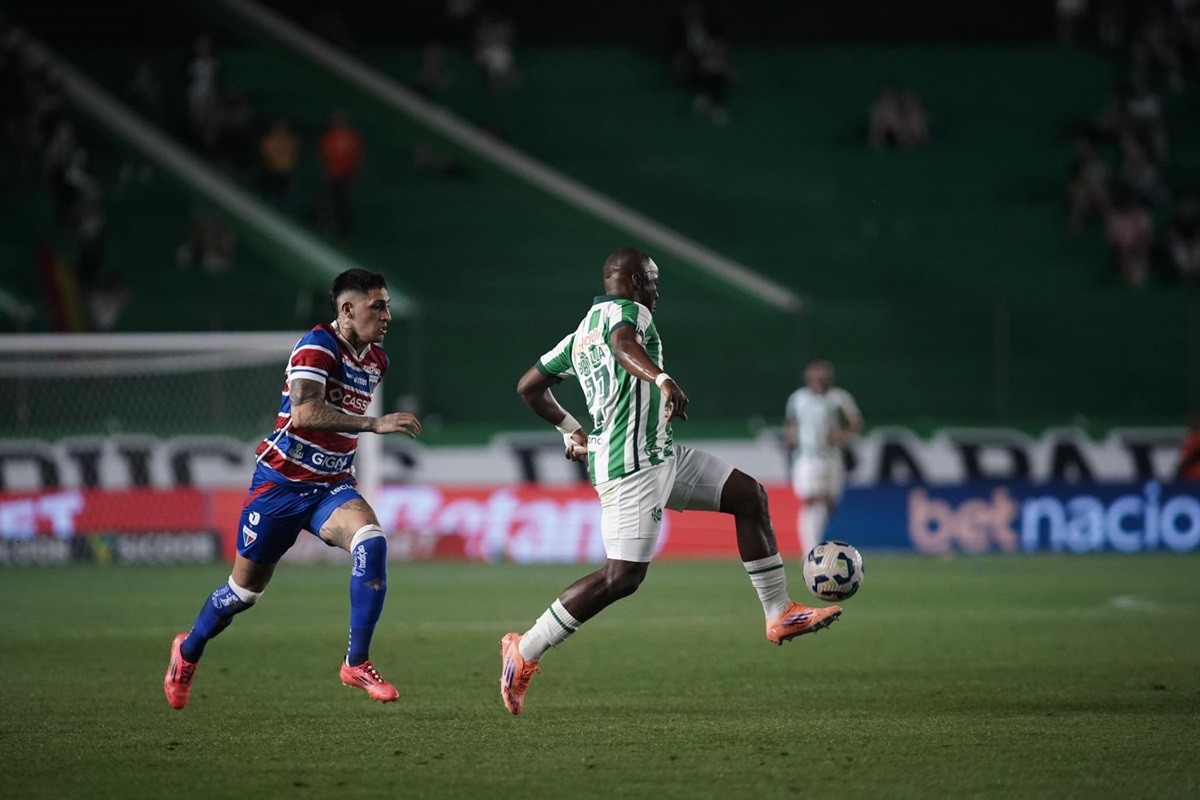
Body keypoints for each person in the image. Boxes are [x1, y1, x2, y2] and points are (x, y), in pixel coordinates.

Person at [498, 246, 842, 716]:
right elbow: (622, 344)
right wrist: (661, 380)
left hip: (660, 454)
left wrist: (570, 429)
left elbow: (528, 387)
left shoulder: (578, 336)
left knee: (749, 495)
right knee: (622, 577)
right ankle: (524, 650)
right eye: (654, 281)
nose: (658, 292)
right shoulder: (628, 313)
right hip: (631, 466)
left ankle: (779, 612)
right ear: (637, 281)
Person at [163, 269, 422, 710]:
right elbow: (304, 414)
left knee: (372, 541)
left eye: (388, 305)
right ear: (347, 309)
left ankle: (355, 662)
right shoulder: (318, 346)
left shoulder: (377, 360)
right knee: (242, 595)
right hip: (280, 486)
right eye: (377, 305)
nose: (387, 315)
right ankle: (187, 652)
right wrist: (373, 423)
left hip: (331, 486)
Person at [782, 359, 863, 556]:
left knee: (829, 503)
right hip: (807, 457)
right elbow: (790, 423)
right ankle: (810, 552)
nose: (819, 381)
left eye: (822, 377)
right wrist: (791, 436)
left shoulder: (839, 398)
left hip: (832, 457)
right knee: (812, 499)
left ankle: (815, 546)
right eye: (815, 377)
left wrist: (840, 435)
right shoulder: (798, 398)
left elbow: (855, 423)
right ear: (807, 379)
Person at [317, 110, 363, 238]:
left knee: (344, 203)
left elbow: (357, 156)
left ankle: (344, 231)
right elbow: (324, 157)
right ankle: (326, 226)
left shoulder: (352, 137)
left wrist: (355, 175)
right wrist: (325, 173)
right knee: (328, 201)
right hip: (332, 174)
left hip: (346, 175)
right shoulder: (328, 137)